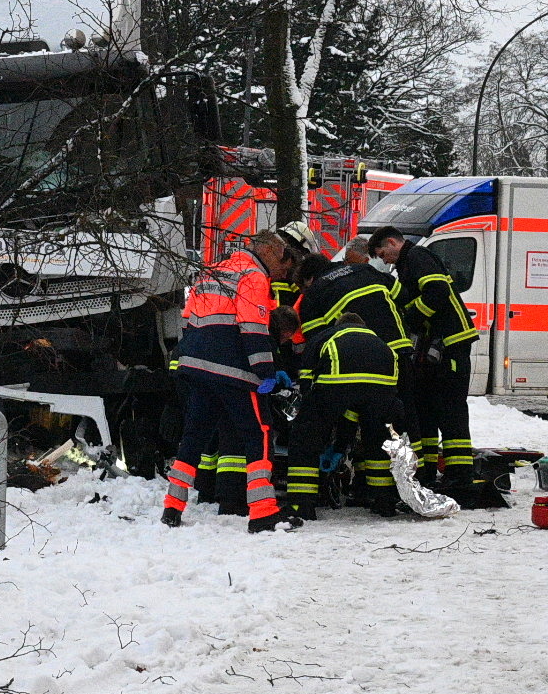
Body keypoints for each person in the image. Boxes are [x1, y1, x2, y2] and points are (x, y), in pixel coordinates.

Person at [161, 228, 301, 533]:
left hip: (196, 366)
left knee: (194, 436)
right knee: (260, 434)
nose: (282, 267)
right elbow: (252, 327)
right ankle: (264, 513)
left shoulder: (212, 271)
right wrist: (266, 372)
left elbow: (187, 319)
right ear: (265, 251)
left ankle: (172, 507)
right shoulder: (253, 274)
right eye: (280, 258)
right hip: (233, 372)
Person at [369, 226, 478, 490]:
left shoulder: (418, 257)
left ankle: (460, 475)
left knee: (451, 411)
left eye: (383, 253)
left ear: (393, 242)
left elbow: (437, 293)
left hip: (452, 344)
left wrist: (408, 316)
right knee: (428, 408)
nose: (384, 260)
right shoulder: (408, 265)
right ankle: (430, 471)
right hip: (437, 349)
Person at [287, 311, 409, 519]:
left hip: (337, 382)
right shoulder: (380, 341)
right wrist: (341, 445)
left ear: (339, 324)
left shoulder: (326, 336)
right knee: (377, 441)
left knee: (304, 438)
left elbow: (306, 378)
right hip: (381, 389)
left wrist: (312, 416)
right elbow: (356, 410)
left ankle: (302, 505)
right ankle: (384, 502)